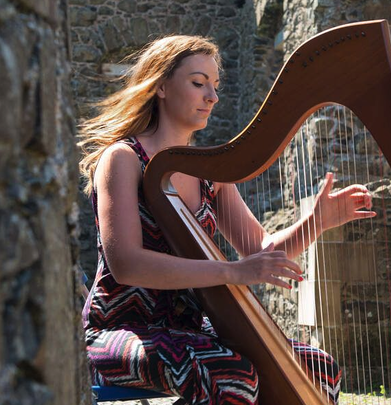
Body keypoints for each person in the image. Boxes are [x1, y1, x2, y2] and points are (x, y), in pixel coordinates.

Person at [79, 35, 375, 405]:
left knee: (317, 367)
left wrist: (316, 221)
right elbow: (127, 265)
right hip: (118, 334)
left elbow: (262, 251)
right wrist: (232, 272)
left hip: (188, 331)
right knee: (231, 374)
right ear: (161, 87)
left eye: (215, 86)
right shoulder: (123, 158)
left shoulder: (207, 173)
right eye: (198, 83)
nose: (212, 97)